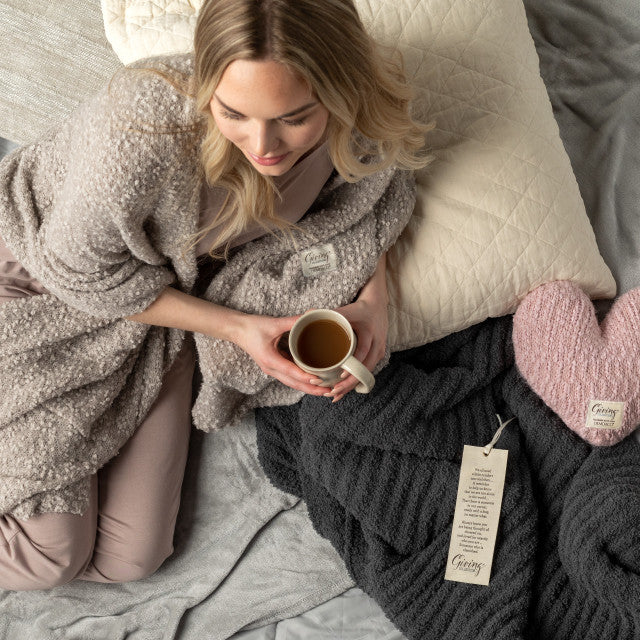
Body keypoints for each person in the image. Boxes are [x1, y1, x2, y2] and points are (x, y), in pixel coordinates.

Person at [0, 0, 431, 590]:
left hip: (162, 312)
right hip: (49, 282)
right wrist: (235, 328)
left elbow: (374, 195)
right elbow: (82, 272)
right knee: (50, 552)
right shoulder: (141, 127)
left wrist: (373, 300)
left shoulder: (351, 111)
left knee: (131, 557)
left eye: (295, 117)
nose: (265, 145)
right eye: (234, 113)